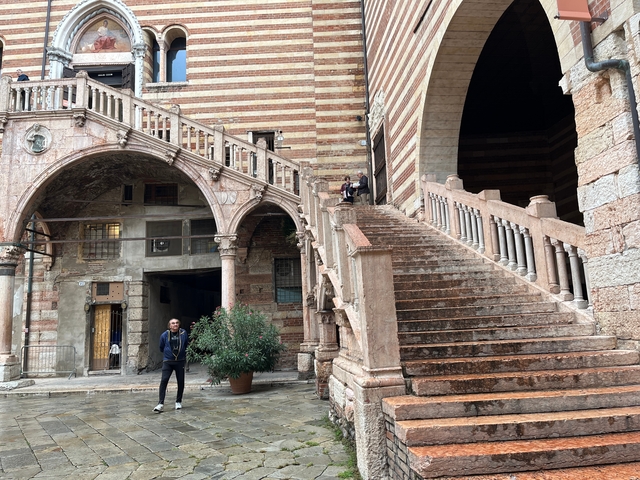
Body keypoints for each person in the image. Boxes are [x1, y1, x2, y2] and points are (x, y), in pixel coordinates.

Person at [154, 318, 189, 413]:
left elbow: (186, 344)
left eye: (177, 323)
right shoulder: (165, 335)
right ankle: (160, 403)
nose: (175, 324)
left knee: (180, 381)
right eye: (173, 323)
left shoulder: (183, 333)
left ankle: (178, 401)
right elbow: (161, 347)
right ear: (169, 325)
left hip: (180, 361)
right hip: (168, 361)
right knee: (164, 380)